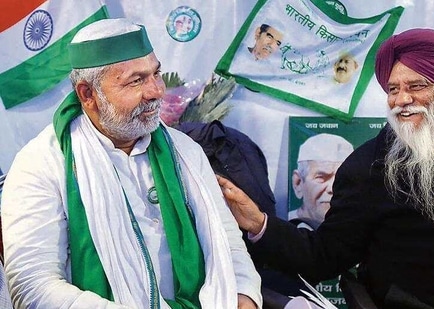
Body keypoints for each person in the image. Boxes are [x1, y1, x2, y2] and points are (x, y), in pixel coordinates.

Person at [217, 28, 434, 309]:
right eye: (393, 89)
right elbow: (323, 256)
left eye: (416, 86)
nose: (401, 99)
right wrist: (259, 223)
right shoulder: (369, 168)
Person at [0, 18, 261, 309]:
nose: (156, 91)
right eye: (136, 80)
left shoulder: (185, 151)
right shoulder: (41, 165)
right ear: (88, 95)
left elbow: (227, 244)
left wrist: (244, 296)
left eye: (156, 73)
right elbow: (32, 287)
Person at [288, 133, 353, 230]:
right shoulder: (285, 229)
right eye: (321, 177)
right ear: (298, 183)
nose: (332, 188)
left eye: (342, 179)